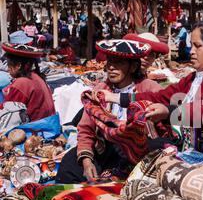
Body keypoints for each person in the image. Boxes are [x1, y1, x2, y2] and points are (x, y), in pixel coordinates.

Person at [98, 19, 203, 163]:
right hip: (198, 150)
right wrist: (117, 98)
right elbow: (161, 96)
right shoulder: (195, 78)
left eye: (198, 46)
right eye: (191, 45)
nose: (191, 51)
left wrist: (168, 112)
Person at [56, 39, 166, 184]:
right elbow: (86, 128)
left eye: (119, 63)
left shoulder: (149, 88)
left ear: (133, 67)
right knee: (68, 165)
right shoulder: (101, 90)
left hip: (138, 154)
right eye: (110, 62)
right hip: (105, 150)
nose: (111, 68)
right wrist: (87, 161)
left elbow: (163, 127)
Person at [1, 43, 56, 122]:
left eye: (9, 64)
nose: (8, 68)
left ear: (19, 65)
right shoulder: (36, 77)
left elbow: (8, 112)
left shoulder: (21, 83)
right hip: (47, 125)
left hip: (34, 129)